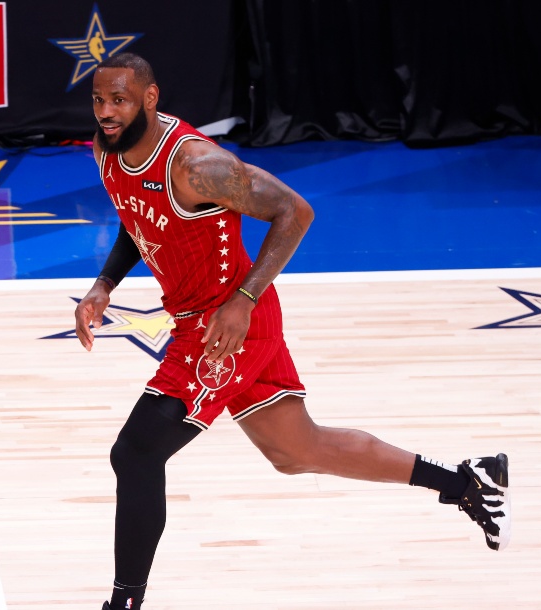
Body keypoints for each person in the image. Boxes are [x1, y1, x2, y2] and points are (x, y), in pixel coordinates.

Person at [73, 53, 511, 610]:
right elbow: (138, 221)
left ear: (150, 98)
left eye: (120, 100)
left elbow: (294, 212)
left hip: (226, 326)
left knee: (135, 453)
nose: (107, 112)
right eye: (99, 100)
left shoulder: (196, 165)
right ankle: (467, 482)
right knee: (296, 449)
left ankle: (124, 604)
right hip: (203, 317)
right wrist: (104, 283)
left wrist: (243, 300)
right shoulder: (106, 148)